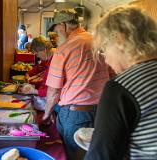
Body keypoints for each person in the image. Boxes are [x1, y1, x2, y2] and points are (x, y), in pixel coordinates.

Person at [85, 7, 157, 160]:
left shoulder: (121, 87)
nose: (106, 60)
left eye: (104, 48)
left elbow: (101, 156)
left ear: (119, 39)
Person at [43, 9, 112, 160]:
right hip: (102, 112)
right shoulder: (99, 42)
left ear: (63, 25)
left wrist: (46, 114)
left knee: (73, 156)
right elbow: (113, 75)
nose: (56, 34)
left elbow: (53, 92)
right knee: (95, 155)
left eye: (56, 30)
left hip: (76, 115)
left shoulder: (63, 50)